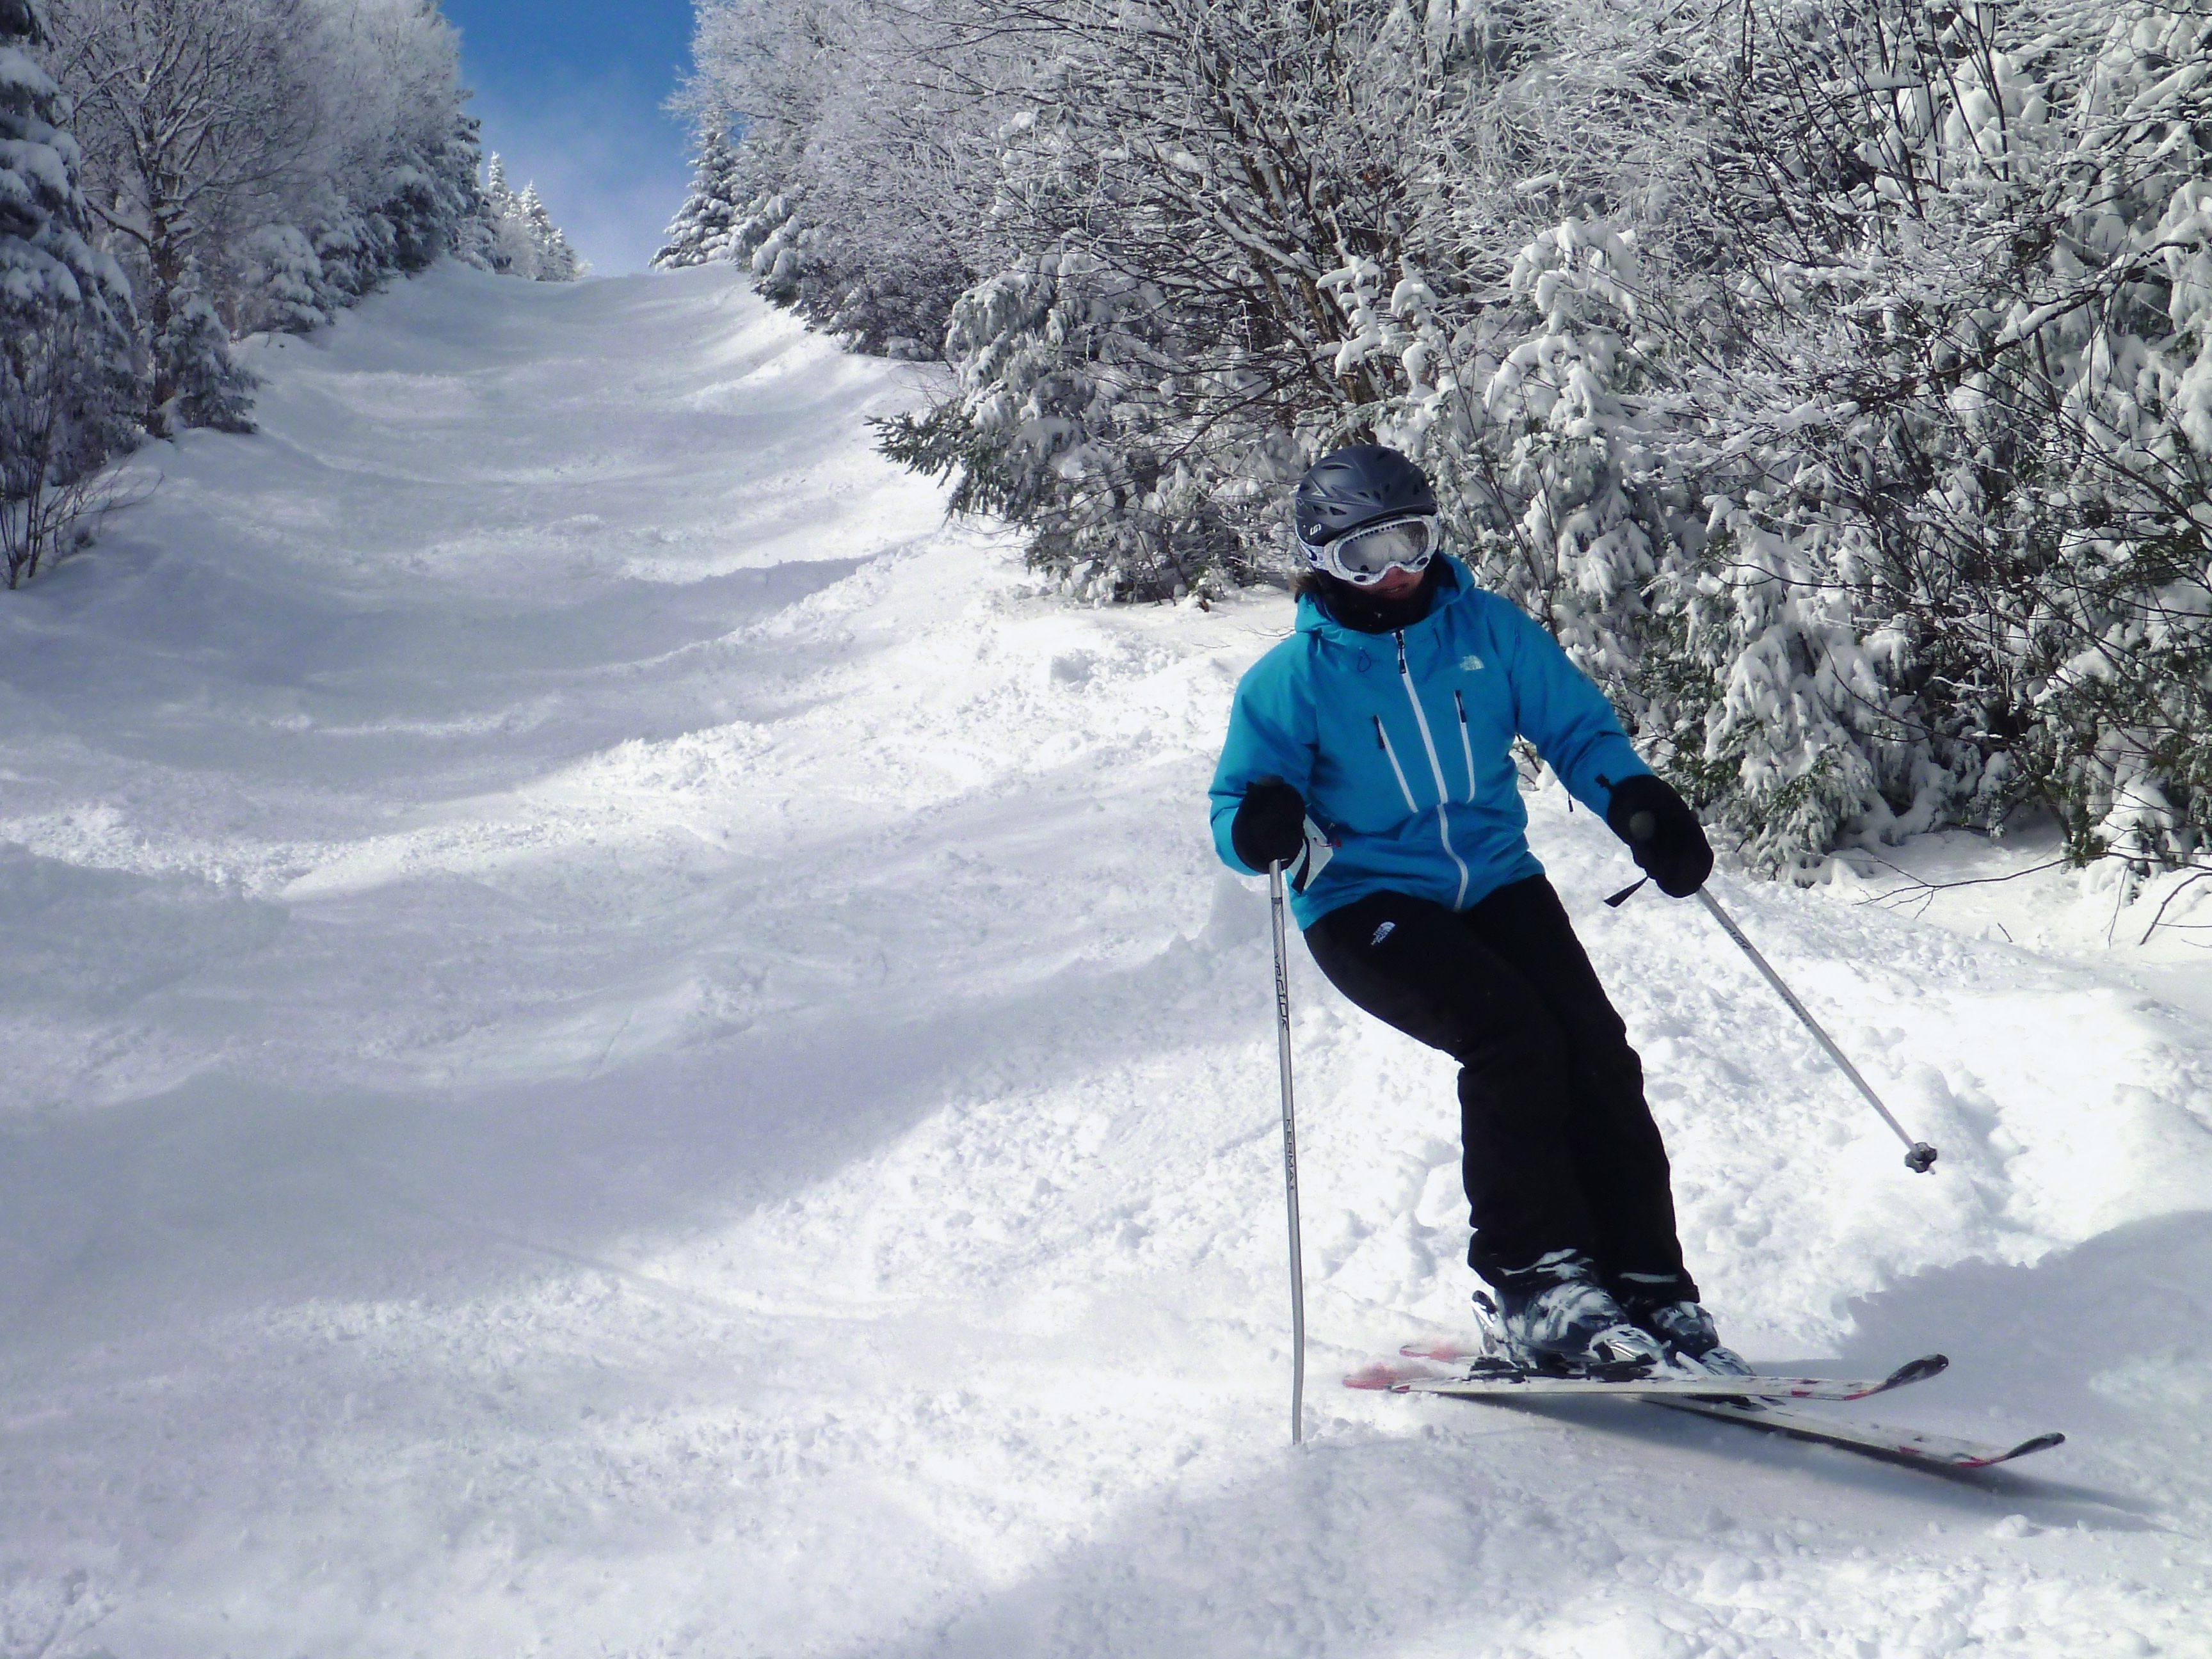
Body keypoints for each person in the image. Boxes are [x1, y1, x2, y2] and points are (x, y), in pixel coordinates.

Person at [1209, 444, 1742, 1375]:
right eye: (1365, 556)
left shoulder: (1488, 632)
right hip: (1363, 900)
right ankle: (1537, 1287)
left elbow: (1576, 727)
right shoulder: (1293, 680)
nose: (1399, 572)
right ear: (1322, 559)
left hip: (1494, 877)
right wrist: (1261, 824)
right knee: (1512, 1039)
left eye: (1412, 541)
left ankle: (1647, 1284)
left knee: (1595, 1051)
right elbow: (1238, 807)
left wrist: (1637, 803)